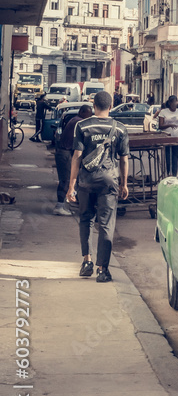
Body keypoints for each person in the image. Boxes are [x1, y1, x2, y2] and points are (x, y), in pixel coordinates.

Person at [65, 91, 129, 283]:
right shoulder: (120, 129)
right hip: (109, 181)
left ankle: (87, 262)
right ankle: (102, 270)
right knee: (106, 224)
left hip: (86, 181)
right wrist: (124, 184)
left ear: (94, 107)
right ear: (110, 106)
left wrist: (71, 186)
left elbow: (77, 155)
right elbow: (124, 159)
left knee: (85, 219)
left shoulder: (82, 125)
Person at [53, 104, 93, 215]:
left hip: (64, 153)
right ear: (83, 112)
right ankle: (59, 206)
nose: (89, 118)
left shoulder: (74, 119)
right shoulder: (78, 122)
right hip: (64, 153)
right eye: (88, 115)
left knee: (70, 180)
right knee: (66, 180)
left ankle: (64, 205)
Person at [158, 95, 178, 175]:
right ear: (170, 103)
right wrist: (170, 125)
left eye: (176, 103)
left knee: (175, 158)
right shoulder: (163, 112)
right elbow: (160, 125)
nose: (175, 105)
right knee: (168, 157)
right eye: (173, 103)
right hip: (167, 137)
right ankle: (167, 174)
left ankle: (174, 175)